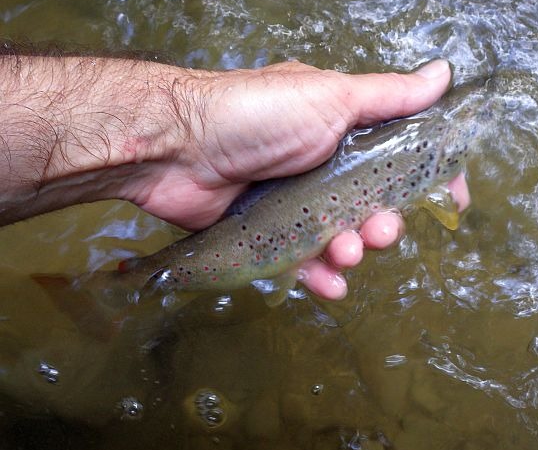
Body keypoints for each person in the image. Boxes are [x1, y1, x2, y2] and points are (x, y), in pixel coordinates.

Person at [0, 53, 468, 300]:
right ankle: (122, 290)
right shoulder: (449, 140)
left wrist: (181, 134)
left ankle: (120, 287)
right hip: (246, 230)